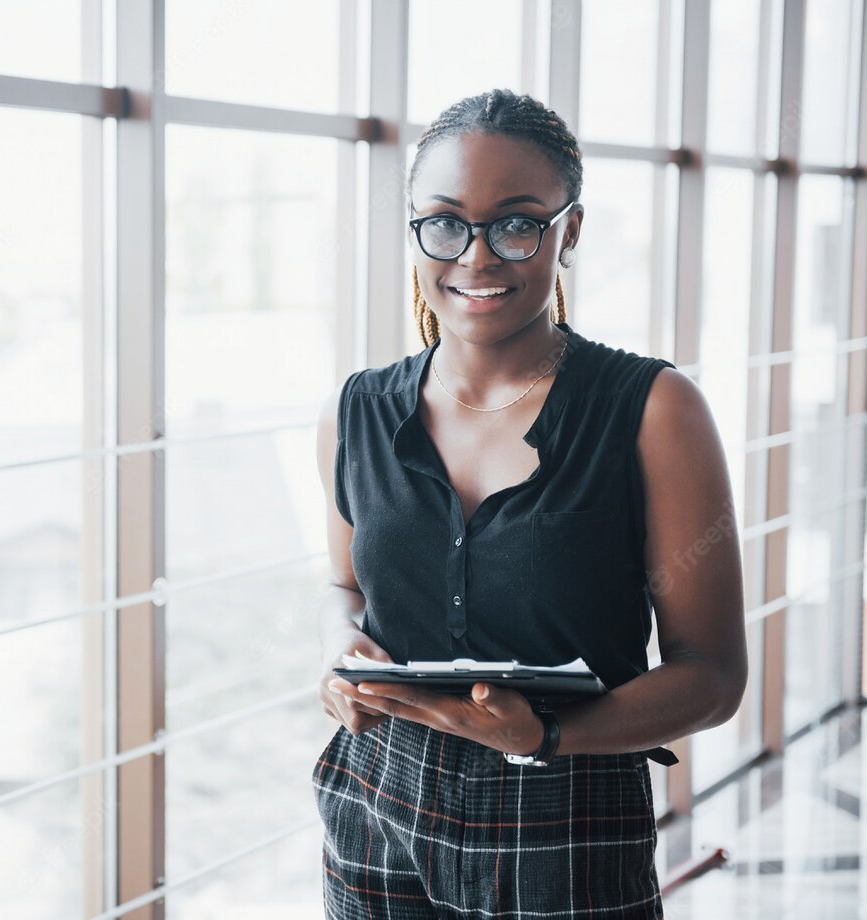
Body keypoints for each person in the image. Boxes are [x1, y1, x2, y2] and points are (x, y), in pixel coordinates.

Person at [310, 88, 748, 919]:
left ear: (568, 232)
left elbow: (713, 676)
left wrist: (546, 736)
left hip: (565, 814)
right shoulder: (356, 410)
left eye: (516, 224)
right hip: (374, 798)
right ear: (414, 231)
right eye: (444, 222)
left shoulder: (654, 409)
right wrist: (340, 652)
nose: (476, 258)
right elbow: (345, 589)